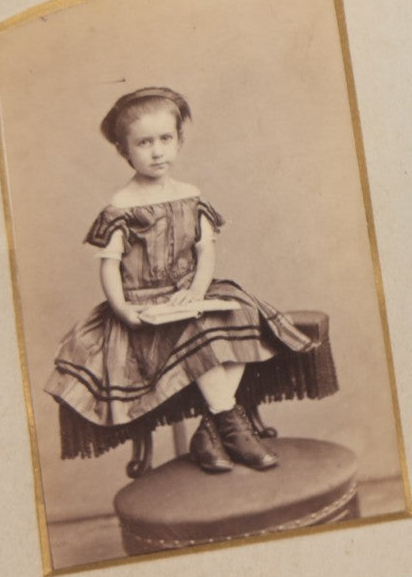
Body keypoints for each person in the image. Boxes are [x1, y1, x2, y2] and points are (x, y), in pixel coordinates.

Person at [44, 87, 337, 473]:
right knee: (195, 333)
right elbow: (109, 267)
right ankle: (229, 427)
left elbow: (204, 252)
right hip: (146, 303)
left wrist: (197, 291)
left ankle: (212, 431)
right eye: (144, 143)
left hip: (188, 292)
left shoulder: (191, 196)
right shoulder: (122, 207)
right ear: (125, 151)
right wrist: (124, 309)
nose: (157, 151)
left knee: (239, 315)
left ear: (179, 141)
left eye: (166, 139)